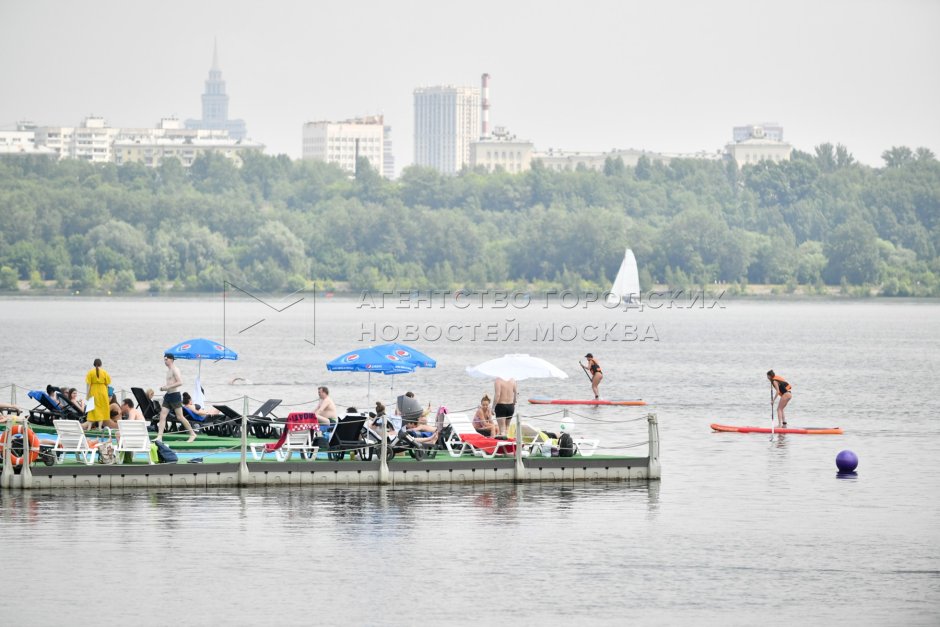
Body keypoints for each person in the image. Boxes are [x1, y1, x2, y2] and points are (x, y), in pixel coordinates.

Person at [156, 353, 197, 442]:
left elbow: (180, 382)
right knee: (162, 416)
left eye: (166, 359)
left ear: (171, 359)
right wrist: (164, 388)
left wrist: (167, 387)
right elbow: (170, 383)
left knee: (180, 417)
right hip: (168, 395)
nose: (165, 361)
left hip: (175, 395)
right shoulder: (168, 371)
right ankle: (159, 437)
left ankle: (192, 434)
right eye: (164, 359)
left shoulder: (175, 369)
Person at [84, 358, 112, 432]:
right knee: (101, 409)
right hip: (103, 392)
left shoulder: (90, 372)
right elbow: (108, 383)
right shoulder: (104, 372)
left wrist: (87, 395)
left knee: (91, 409)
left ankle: (89, 427)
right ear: (101, 364)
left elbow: (88, 385)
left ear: (94, 364)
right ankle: (99, 427)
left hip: (94, 391)